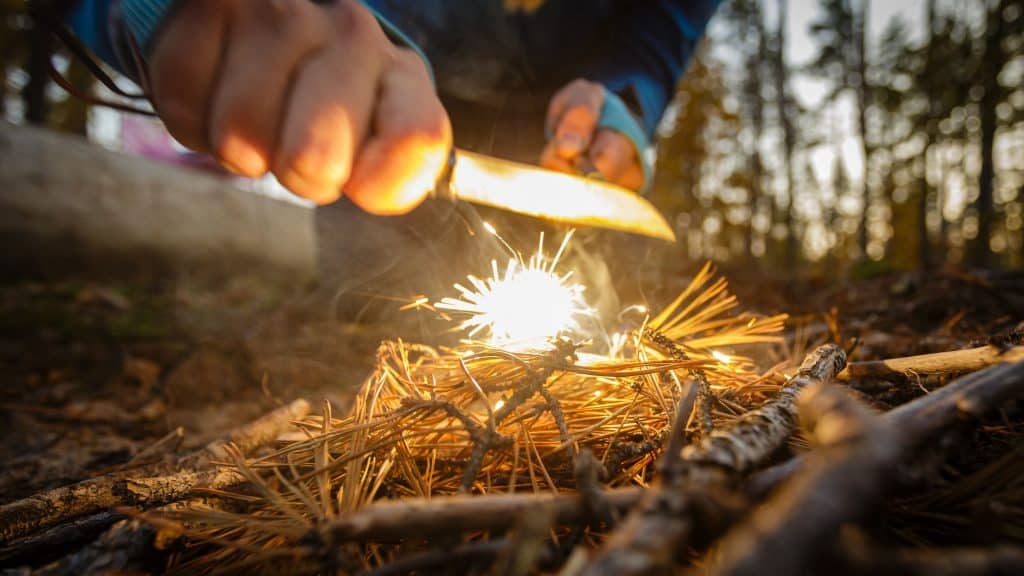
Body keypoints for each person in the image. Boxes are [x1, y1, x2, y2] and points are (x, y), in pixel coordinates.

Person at [56, 0, 721, 327]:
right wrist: (160, 10)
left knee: (581, 325)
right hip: (368, 100)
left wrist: (625, 92)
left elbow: (663, 24)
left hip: (558, 138)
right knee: (382, 324)